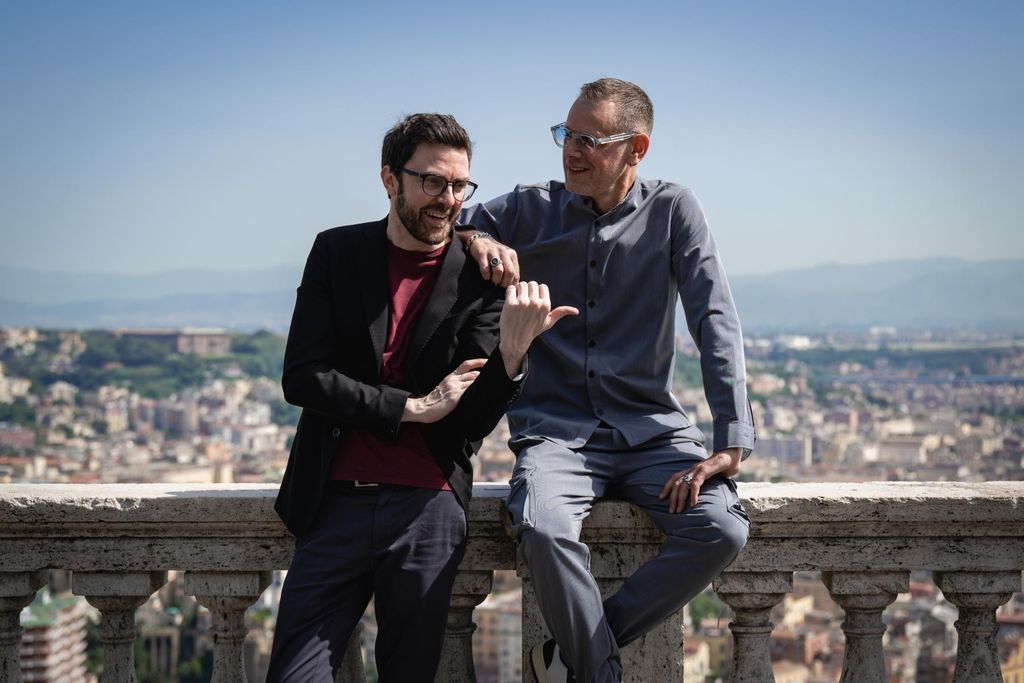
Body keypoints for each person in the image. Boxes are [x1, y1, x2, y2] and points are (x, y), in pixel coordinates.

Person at [459, 78, 755, 683]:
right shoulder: (529, 208)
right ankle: (598, 671)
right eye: (566, 134)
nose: (571, 150)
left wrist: (731, 440)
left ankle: (575, 658)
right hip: (556, 434)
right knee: (542, 529)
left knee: (722, 528)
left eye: (590, 140)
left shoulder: (673, 209)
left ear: (636, 148)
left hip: (650, 431)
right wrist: (479, 237)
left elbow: (714, 319)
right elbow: (451, 222)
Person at [268, 112, 575, 682]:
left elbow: (469, 422)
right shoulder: (337, 252)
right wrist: (411, 407)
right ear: (390, 179)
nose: (448, 199)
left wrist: (512, 355)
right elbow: (303, 376)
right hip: (332, 500)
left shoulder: (482, 280)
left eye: (459, 185)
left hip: (427, 507)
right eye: (432, 181)